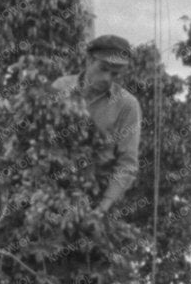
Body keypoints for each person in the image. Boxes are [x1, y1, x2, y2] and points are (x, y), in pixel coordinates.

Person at [51, 34, 142, 212]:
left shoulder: (127, 105)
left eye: (115, 74)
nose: (108, 78)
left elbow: (127, 163)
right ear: (89, 60)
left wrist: (102, 207)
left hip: (96, 197)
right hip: (52, 190)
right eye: (103, 69)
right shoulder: (60, 88)